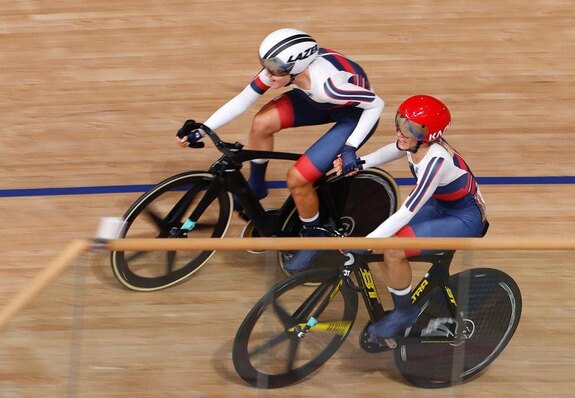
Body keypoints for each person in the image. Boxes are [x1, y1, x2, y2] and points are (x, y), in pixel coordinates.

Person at [177, 28, 384, 271]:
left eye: (275, 71)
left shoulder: (329, 86)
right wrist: (203, 128)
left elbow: (376, 104)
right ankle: (256, 185)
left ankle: (313, 240)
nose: (268, 75)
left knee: (297, 179)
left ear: (296, 68)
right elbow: (244, 99)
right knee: (261, 123)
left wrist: (351, 147)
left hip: (354, 115)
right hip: (316, 100)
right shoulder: (284, 69)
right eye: (265, 65)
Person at [334, 95, 488, 339]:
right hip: (442, 206)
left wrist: (368, 242)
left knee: (392, 249)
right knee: (385, 244)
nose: (401, 132)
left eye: (411, 128)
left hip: (463, 217)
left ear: (429, 135)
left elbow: (408, 210)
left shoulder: (435, 161)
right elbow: (387, 152)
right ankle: (401, 290)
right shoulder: (413, 143)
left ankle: (405, 312)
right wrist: (358, 163)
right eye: (400, 122)